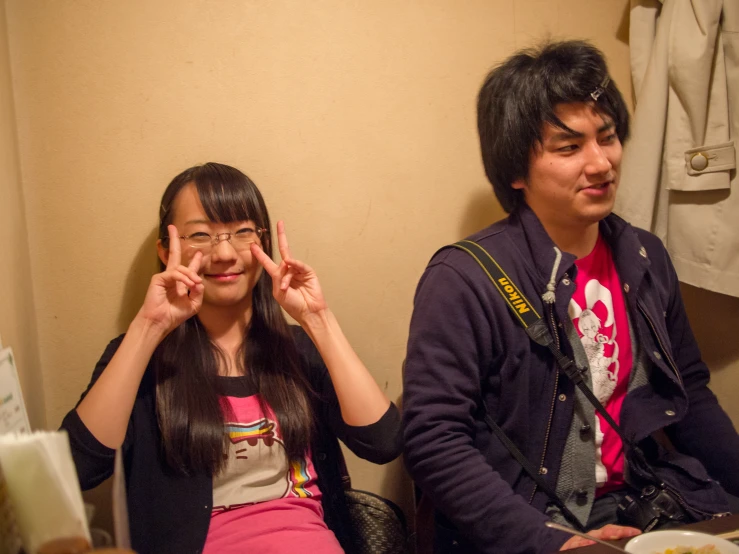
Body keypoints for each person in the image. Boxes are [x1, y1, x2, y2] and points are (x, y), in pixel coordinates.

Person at [402, 40, 739, 554]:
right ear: (516, 171)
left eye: (607, 137)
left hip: (646, 500)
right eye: (569, 148)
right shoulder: (463, 277)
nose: (601, 163)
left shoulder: (643, 255)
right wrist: (548, 543)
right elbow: (434, 441)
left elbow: (690, 394)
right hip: (532, 519)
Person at [61, 162, 402, 554]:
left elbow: (383, 441)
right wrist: (149, 327)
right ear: (166, 250)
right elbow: (77, 469)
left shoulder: (298, 350)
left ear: (264, 244)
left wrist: (317, 319)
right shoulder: (143, 358)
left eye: (242, 232)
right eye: (201, 235)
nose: (224, 253)